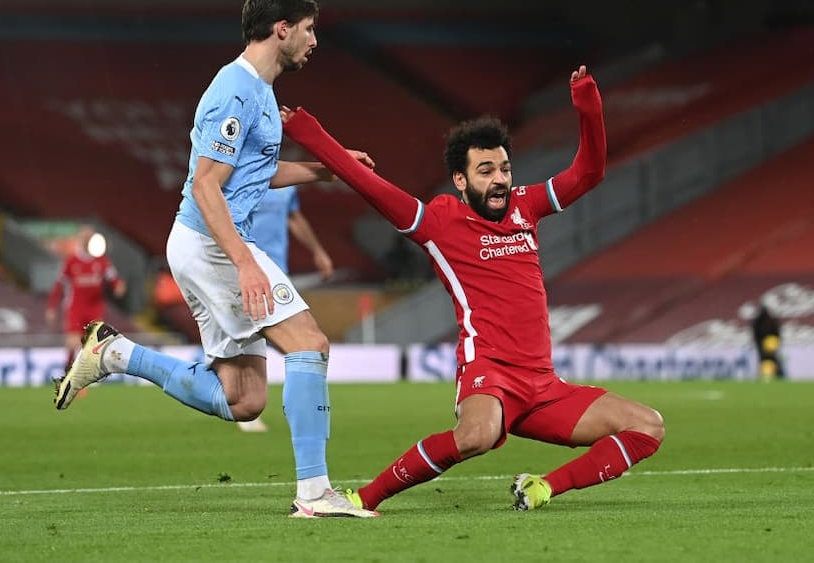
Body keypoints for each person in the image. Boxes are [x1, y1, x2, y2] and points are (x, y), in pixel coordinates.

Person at [53, 0, 378, 518]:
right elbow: (206, 185)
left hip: (209, 243)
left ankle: (115, 353)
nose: (314, 40)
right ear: (282, 29)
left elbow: (256, 172)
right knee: (309, 343)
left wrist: (327, 170)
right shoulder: (235, 90)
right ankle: (316, 492)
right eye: (309, 29)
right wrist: (247, 264)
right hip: (213, 243)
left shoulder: (261, 93)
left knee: (244, 398)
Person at [282, 65, 665, 513]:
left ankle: (542, 487)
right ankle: (362, 498)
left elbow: (589, 173)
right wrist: (312, 135)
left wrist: (589, 109)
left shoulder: (527, 205)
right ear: (461, 182)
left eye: (504, 168)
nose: (500, 179)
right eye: (486, 170)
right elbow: (370, 184)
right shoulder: (440, 221)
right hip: (490, 371)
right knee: (476, 437)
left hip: (542, 384)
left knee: (647, 426)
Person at [237, 185, 335, 432]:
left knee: (292, 336)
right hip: (245, 267)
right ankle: (246, 406)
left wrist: (318, 251)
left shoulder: (286, 184)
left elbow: (294, 217)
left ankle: (296, 406)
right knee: (252, 334)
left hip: (278, 270)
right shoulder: (242, 174)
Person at [45, 224, 127, 375]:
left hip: (94, 307)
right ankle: (68, 374)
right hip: (75, 307)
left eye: (90, 237)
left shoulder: (101, 261)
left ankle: (85, 376)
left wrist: (118, 286)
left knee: (93, 345)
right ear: (80, 239)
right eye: (84, 237)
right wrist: (52, 307)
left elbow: (114, 278)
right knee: (73, 343)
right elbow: (59, 285)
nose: (87, 240)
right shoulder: (72, 261)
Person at [752, 305, 785, 381]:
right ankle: (768, 376)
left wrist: (775, 342)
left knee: (770, 360)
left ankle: (776, 375)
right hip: (763, 345)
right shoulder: (760, 322)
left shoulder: (769, 321)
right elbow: (756, 334)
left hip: (770, 345)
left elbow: (777, 333)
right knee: (766, 361)